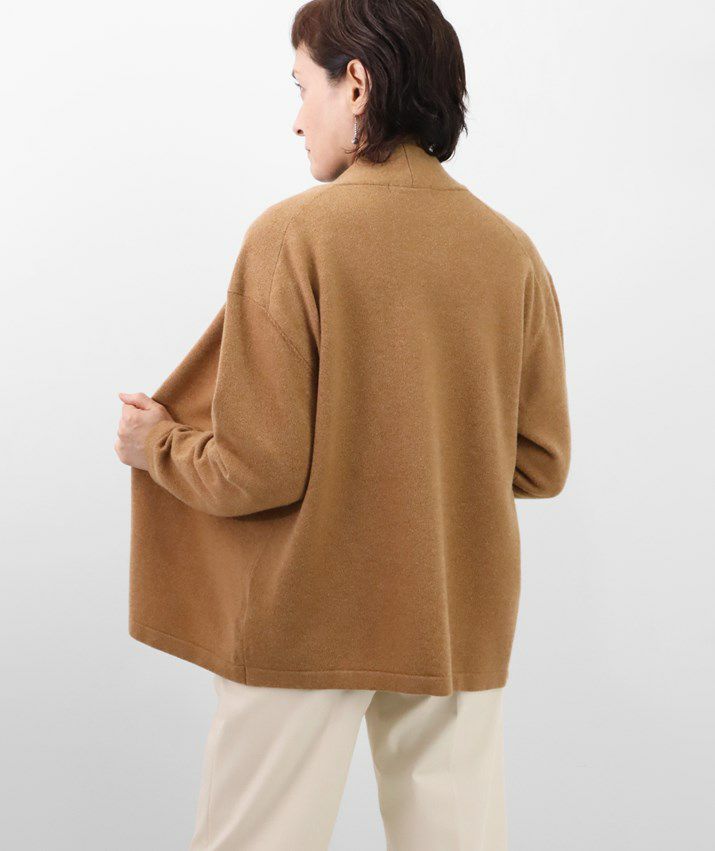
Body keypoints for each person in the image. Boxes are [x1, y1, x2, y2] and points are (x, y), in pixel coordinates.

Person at [115, 0, 571, 848]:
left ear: (355, 84)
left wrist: (158, 446)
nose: (295, 119)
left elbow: (258, 468)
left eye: (301, 87)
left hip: (306, 617)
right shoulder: (510, 252)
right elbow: (540, 464)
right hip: (453, 613)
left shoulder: (294, 237)